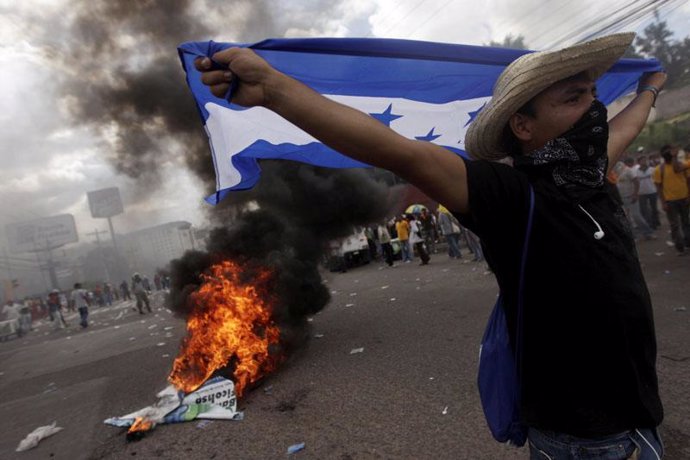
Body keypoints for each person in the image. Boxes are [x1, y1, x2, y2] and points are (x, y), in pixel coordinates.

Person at [195, 32, 664, 457]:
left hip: (641, 420)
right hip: (588, 441)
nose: (595, 109)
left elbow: (627, 127)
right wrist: (273, 90)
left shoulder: (588, 176)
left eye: (593, 94)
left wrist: (650, 89)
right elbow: (396, 150)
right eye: (574, 97)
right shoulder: (512, 197)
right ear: (523, 126)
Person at [653, 144, 690, 255]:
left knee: (686, 222)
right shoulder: (659, 170)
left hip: (684, 198)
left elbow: (688, 181)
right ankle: (680, 247)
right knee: (675, 225)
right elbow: (659, 187)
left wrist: (688, 195)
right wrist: (663, 202)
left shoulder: (683, 165)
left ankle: (687, 244)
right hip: (670, 201)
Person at [616, 157, 656, 240]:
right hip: (621, 198)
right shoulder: (614, 172)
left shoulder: (627, 170)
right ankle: (633, 236)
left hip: (631, 197)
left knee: (636, 216)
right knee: (627, 219)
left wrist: (635, 194)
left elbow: (636, 181)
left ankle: (648, 232)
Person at [636, 154, 661, 229]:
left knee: (654, 208)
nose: (644, 162)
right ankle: (649, 223)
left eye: (645, 160)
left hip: (652, 191)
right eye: (642, 160)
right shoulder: (636, 171)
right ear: (639, 162)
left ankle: (655, 222)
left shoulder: (652, 169)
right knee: (644, 209)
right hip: (641, 193)